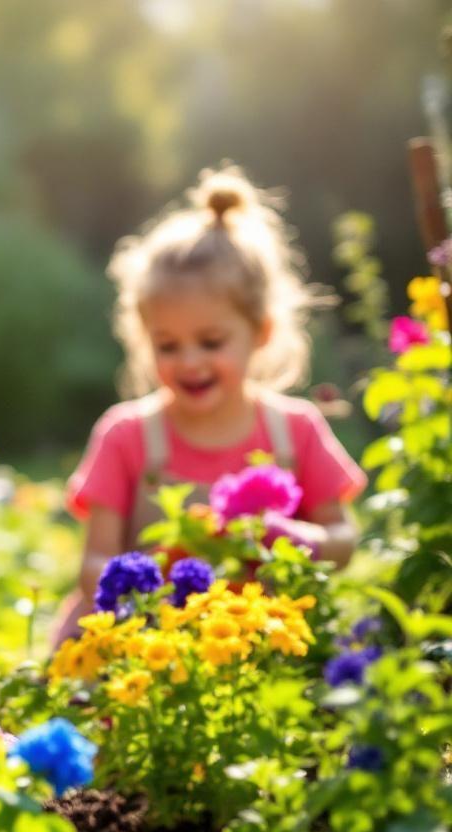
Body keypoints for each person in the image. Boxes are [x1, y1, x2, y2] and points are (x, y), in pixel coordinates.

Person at [54, 165, 365, 642]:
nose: (190, 362)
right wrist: (147, 597)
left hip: (266, 642)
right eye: (168, 346)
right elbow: (95, 562)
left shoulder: (295, 430)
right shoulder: (126, 436)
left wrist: (305, 541)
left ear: (260, 332)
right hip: (146, 643)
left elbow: (343, 539)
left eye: (211, 341)